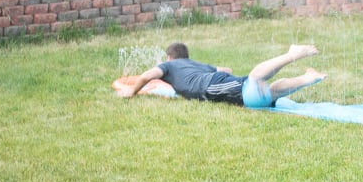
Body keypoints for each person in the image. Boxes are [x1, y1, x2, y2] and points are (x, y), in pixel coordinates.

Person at [117, 42, 326, 108]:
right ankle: (309, 78)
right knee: (262, 93)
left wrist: (132, 92)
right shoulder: (194, 64)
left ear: (169, 58)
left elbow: (146, 76)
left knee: (253, 80)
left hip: (208, 86)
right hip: (215, 80)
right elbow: (225, 70)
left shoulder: (168, 66)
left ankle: (292, 54)